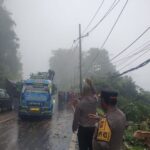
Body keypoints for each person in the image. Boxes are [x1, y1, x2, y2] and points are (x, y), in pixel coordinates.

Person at [72, 79, 97, 150]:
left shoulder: (80, 103)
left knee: (83, 147)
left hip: (83, 130)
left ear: (83, 91)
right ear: (90, 91)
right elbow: (95, 93)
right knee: (91, 147)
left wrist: (74, 128)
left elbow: (76, 118)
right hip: (93, 129)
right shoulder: (95, 101)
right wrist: (91, 84)